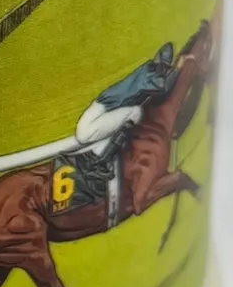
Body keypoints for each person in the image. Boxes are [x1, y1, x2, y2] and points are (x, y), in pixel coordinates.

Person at [61, 43, 177, 220]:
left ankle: (103, 159)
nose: (163, 70)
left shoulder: (147, 70)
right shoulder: (147, 74)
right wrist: (179, 69)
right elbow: (163, 86)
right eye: (163, 67)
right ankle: (100, 163)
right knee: (135, 112)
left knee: (131, 113)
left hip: (99, 110)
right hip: (96, 117)